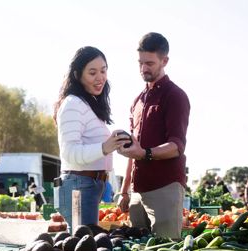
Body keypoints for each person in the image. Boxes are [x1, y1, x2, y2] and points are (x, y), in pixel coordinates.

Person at [117, 32, 190, 239]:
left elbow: (176, 145)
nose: (143, 68)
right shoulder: (137, 101)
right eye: (140, 63)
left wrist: (145, 153)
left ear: (164, 61)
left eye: (149, 63)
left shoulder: (175, 96)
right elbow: (134, 150)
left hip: (164, 188)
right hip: (137, 192)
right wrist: (124, 191)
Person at [53, 46, 129, 229]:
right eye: (92, 72)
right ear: (78, 75)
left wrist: (115, 144)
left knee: (87, 242)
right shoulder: (72, 104)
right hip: (79, 187)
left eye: (103, 71)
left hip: (89, 185)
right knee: (83, 245)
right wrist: (105, 147)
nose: (100, 77)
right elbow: (70, 153)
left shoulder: (87, 104)